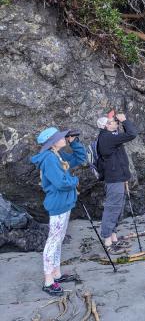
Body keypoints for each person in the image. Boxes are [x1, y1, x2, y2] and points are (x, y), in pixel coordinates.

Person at [31, 127, 86, 296]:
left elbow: (79, 159)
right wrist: (75, 180)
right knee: (53, 240)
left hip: (64, 204)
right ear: (53, 142)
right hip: (58, 205)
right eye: (62, 137)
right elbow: (61, 183)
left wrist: (74, 142)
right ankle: (49, 281)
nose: (65, 138)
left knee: (59, 238)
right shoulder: (49, 159)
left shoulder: (58, 155)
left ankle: (56, 274)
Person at [96, 111, 138, 254]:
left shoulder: (110, 136)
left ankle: (113, 238)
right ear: (106, 126)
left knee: (117, 208)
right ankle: (108, 242)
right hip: (114, 179)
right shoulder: (107, 137)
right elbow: (132, 134)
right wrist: (125, 120)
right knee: (112, 208)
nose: (116, 123)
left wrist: (125, 176)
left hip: (118, 177)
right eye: (113, 121)